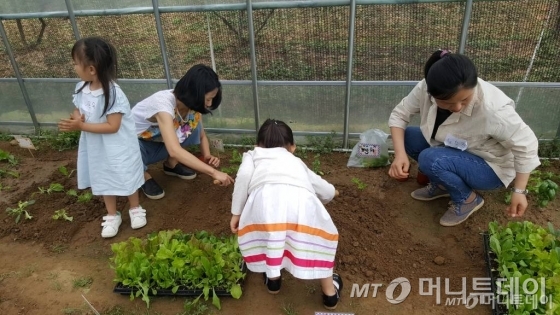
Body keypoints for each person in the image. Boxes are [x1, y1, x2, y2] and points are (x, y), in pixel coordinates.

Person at [388, 49, 540, 226]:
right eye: (447, 102)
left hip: (490, 167)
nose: (458, 107)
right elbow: (400, 115)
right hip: (456, 150)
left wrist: (520, 191)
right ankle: (443, 184)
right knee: (408, 137)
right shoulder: (426, 86)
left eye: (465, 99)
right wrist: (399, 154)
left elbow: (526, 145)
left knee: (430, 159)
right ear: (432, 93)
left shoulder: (494, 110)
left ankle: (468, 200)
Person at [229, 119, 343, 310]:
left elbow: (243, 178)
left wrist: (236, 213)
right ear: (292, 147)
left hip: (265, 205)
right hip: (301, 204)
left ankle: (273, 281)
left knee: (271, 237)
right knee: (320, 244)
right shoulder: (296, 161)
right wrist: (333, 192)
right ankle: (329, 294)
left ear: (257, 145)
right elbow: (322, 187)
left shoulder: (253, 155)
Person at [58, 37, 147, 238]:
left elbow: (113, 126)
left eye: (75, 63)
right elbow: (77, 108)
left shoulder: (114, 93)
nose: (74, 67)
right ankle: (112, 214)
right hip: (96, 146)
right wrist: (77, 117)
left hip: (118, 146)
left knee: (125, 173)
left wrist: (80, 125)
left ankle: (135, 208)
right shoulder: (81, 87)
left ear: (91, 69)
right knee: (103, 174)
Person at [132, 64, 233, 199]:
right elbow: (174, 149)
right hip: (135, 145)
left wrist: (207, 157)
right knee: (131, 148)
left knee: (193, 125)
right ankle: (143, 176)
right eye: (208, 99)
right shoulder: (162, 104)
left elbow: (201, 135)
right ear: (194, 92)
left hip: (156, 141)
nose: (209, 104)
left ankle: (170, 165)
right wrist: (213, 172)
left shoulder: (191, 106)